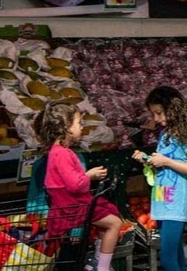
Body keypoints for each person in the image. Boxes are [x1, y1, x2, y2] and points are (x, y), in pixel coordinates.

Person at [35, 101, 122, 271]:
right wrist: (89, 175)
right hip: (73, 206)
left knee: (109, 211)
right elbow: (75, 185)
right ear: (67, 127)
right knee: (115, 224)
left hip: (72, 203)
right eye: (79, 123)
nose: (82, 127)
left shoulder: (57, 152)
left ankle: (98, 260)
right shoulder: (61, 154)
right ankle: (102, 266)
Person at [132, 86, 187, 271]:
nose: (156, 119)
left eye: (159, 113)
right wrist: (148, 160)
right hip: (162, 200)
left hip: (176, 202)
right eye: (153, 114)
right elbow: (166, 163)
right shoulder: (165, 134)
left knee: (168, 257)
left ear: (172, 108)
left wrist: (165, 161)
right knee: (176, 255)